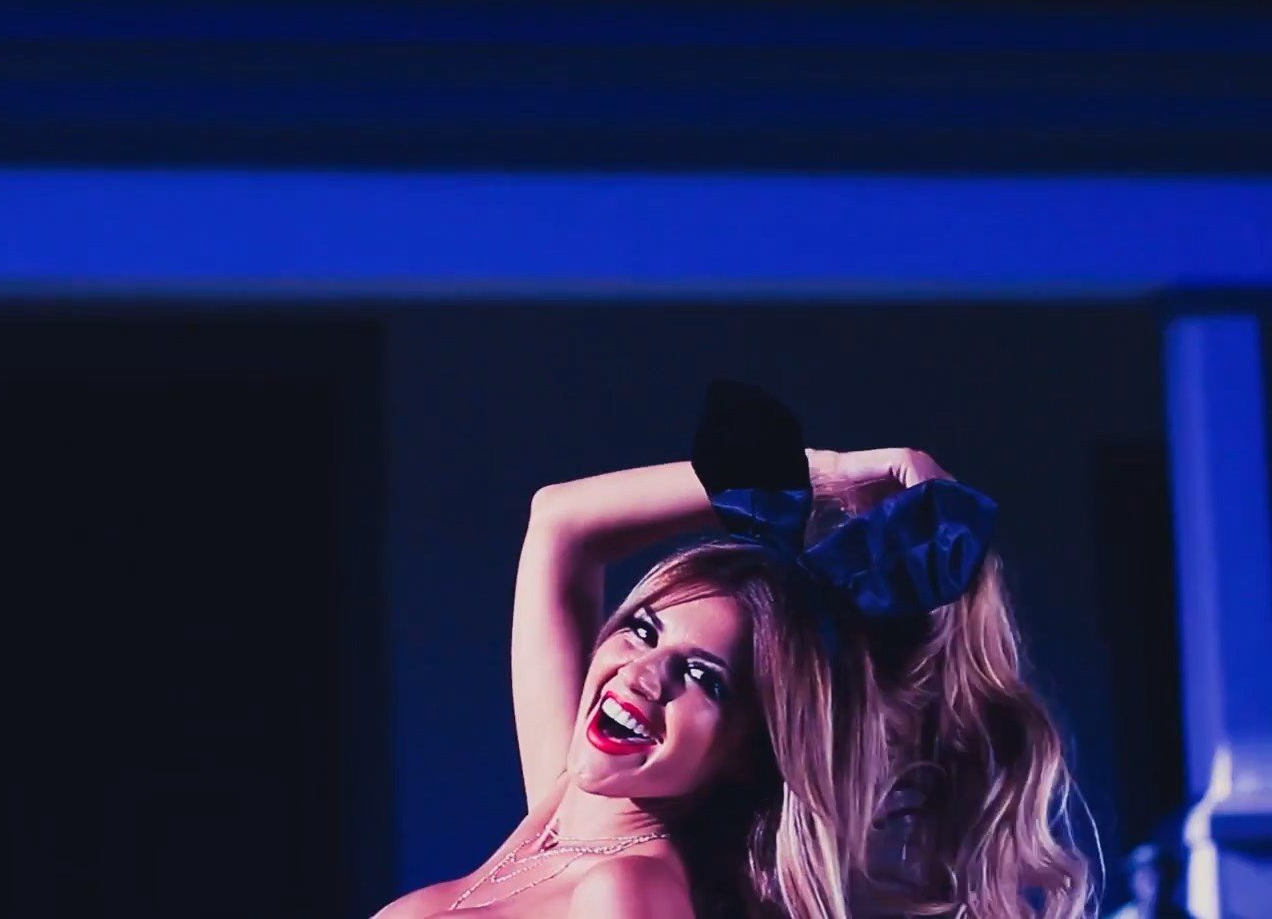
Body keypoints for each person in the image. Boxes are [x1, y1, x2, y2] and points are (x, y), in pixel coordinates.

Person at [373, 382, 1092, 918]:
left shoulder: (625, 889)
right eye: (644, 630)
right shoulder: (561, 815)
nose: (645, 674)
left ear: (747, 749)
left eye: (703, 676)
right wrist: (832, 472)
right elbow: (559, 520)